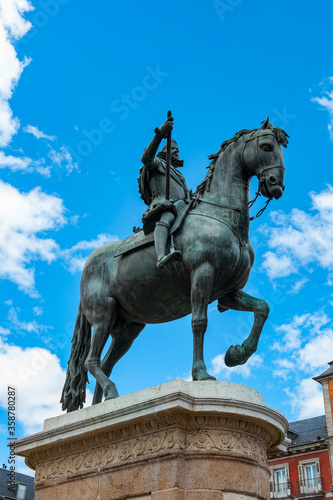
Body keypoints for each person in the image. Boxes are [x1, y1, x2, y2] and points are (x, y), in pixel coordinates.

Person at [138, 116, 191, 269]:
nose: (176, 153)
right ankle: (161, 256)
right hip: (164, 205)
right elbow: (145, 158)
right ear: (164, 150)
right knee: (168, 216)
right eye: (172, 150)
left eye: (178, 151)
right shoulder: (158, 164)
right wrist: (160, 134)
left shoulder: (180, 175)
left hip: (182, 207)